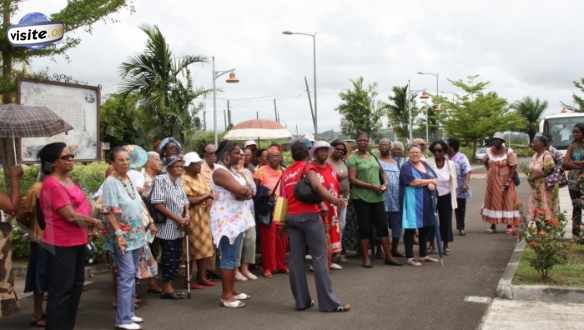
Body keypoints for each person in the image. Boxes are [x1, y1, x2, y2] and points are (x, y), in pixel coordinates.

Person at [38, 143, 101, 330]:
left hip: (77, 241)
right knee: (61, 291)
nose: (71, 159)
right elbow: (70, 215)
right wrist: (94, 222)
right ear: (53, 162)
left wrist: (92, 220)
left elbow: (82, 204)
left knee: (75, 288)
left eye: (72, 155)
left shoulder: (69, 180)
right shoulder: (52, 184)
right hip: (61, 244)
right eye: (66, 157)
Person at [283, 140, 351, 313]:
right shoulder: (307, 167)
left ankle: (301, 301)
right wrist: (335, 200)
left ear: (291, 155)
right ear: (308, 153)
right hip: (309, 216)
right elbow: (316, 186)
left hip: (291, 218)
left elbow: (281, 198)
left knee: (296, 261)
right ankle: (329, 303)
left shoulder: (287, 172)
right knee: (320, 258)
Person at [102, 147, 150, 330]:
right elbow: (109, 212)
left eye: (127, 159)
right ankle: (122, 319)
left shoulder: (127, 178)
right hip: (122, 235)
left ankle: (129, 313)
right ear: (112, 163)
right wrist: (119, 234)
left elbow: (136, 203)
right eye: (120, 160)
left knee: (131, 274)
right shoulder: (110, 182)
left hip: (136, 234)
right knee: (126, 275)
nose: (125, 163)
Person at [211, 141, 255, 308]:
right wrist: (243, 191)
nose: (241, 156)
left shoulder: (230, 171)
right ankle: (226, 296)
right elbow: (243, 191)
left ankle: (232, 290)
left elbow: (248, 190)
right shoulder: (220, 172)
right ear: (227, 154)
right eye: (237, 153)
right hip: (226, 222)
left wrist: (244, 191)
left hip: (236, 221)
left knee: (234, 256)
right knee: (228, 258)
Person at [347, 132, 401, 267]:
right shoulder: (353, 159)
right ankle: (366, 258)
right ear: (356, 142)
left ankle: (388, 256)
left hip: (378, 197)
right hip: (361, 198)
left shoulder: (373, 156)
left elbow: (382, 172)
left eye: (365, 140)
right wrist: (371, 186)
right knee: (365, 228)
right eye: (360, 141)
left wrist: (386, 183)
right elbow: (352, 179)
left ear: (369, 142)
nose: (363, 143)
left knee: (383, 227)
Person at [150, 155, 190, 299]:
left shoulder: (178, 181)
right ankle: (166, 288)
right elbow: (157, 203)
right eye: (177, 166)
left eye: (181, 166)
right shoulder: (161, 180)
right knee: (169, 256)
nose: (180, 169)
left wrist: (187, 215)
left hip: (179, 225)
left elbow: (185, 201)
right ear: (168, 167)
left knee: (176, 256)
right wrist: (177, 218)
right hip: (167, 226)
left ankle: (169, 285)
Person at [400, 144, 440, 267]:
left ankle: (423, 254)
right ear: (408, 154)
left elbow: (435, 178)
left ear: (421, 153)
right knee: (411, 228)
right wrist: (429, 181)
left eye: (417, 152)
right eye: (412, 152)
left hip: (427, 200)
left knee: (425, 227)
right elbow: (412, 182)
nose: (415, 154)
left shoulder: (425, 164)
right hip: (412, 200)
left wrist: (433, 183)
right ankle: (410, 256)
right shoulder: (406, 167)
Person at [181, 152, 216, 289]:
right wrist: (206, 197)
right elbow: (188, 200)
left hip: (204, 216)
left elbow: (209, 192)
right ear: (189, 166)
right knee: (192, 249)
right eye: (196, 164)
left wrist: (208, 199)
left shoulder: (201, 176)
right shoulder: (184, 179)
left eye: (200, 163)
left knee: (205, 249)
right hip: (192, 216)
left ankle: (202, 277)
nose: (199, 166)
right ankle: (189, 279)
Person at [255, 145, 288, 278]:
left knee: (282, 237)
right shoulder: (260, 171)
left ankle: (281, 265)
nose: (275, 158)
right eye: (272, 156)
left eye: (277, 156)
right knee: (268, 237)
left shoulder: (284, 171)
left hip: (282, 204)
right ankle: (268, 267)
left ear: (281, 157)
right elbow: (255, 191)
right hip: (269, 206)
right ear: (267, 158)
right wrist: (265, 193)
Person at [311, 141, 343, 270]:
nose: (324, 153)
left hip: (332, 206)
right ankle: (317, 263)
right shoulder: (311, 168)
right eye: (320, 150)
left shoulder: (330, 167)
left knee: (331, 233)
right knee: (319, 235)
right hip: (319, 206)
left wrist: (338, 199)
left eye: (325, 150)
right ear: (315, 152)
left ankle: (328, 261)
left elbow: (335, 185)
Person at [481, 133, 521, 233]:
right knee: (494, 202)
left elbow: (513, 167)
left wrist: (508, 182)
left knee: (508, 201)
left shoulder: (508, 152)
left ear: (502, 142)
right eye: (494, 140)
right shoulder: (490, 151)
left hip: (506, 181)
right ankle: (493, 225)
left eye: (498, 140)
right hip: (493, 182)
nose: (495, 142)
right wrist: (489, 170)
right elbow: (484, 160)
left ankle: (509, 225)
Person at [428, 141, 458, 253]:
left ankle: (445, 244)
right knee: (431, 219)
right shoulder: (428, 163)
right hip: (431, 195)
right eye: (435, 150)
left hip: (446, 195)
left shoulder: (450, 164)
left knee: (446, 220)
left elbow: (453, 181)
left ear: (444, 151)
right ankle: (431, 243)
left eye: (440, 150)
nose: (437, 153)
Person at [234, 152, 258, 281]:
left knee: (251, 238)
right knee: (239, 240)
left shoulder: (248, 172)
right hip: (236, 211)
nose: (241, 159)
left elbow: (253, 190)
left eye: (243, 157)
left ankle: (245, 268)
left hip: (248, 209)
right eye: (239, 156)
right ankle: (236, 269)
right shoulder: (229, 172)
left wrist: (246, 186)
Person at [378, 139, 404, 257]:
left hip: (397, 198)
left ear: (390, 147)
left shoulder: (396, 162)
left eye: (386, 144)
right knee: (381, 225)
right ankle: (380, 249)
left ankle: (394, 248)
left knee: (397, 225)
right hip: (382, 198)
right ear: (378, 147)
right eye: (381, 144)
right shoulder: (376, 161)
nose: (384, 146)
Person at [528, 135, 559, 225]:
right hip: (535, 189)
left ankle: (547, 232)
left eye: (535, 142)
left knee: (546, 208)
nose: (532, 144)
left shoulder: (546, 155)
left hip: (544, 188)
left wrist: (534, 176)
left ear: (542, 144)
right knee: (537, 210)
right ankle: (539, 233)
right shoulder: (534, 155)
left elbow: (549, 170)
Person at [328, 139, 350, 264]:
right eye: (337, 149)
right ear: (332, 148)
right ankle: (329, 255)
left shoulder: (343, 161)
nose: (340, 151)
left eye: (342, 150)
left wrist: (347, 195)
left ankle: (337, 252)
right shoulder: (327, 162)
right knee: (332, 227)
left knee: (341, 226)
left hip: (344, 198)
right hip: (332, 199)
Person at [447, 138, 472, 236]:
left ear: (452, 147)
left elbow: (467, 171)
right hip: (447, 188)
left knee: (460, 209)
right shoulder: (445, 157)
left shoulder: (461, 157)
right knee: (447, 209)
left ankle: (461, 227)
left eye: (447, 145)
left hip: (460, 188)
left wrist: (466, 184)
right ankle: (447, 228)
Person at [563, 123, 584, 238]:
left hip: (583, 181)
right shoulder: (572, 146)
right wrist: (580, 165)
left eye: (577, 132)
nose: (574, 134)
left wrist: (573, 163)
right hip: (573, 181)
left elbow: (569, 163)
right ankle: (576, 233)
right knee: (576, 206)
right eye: (574, 132)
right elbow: (565, 163)